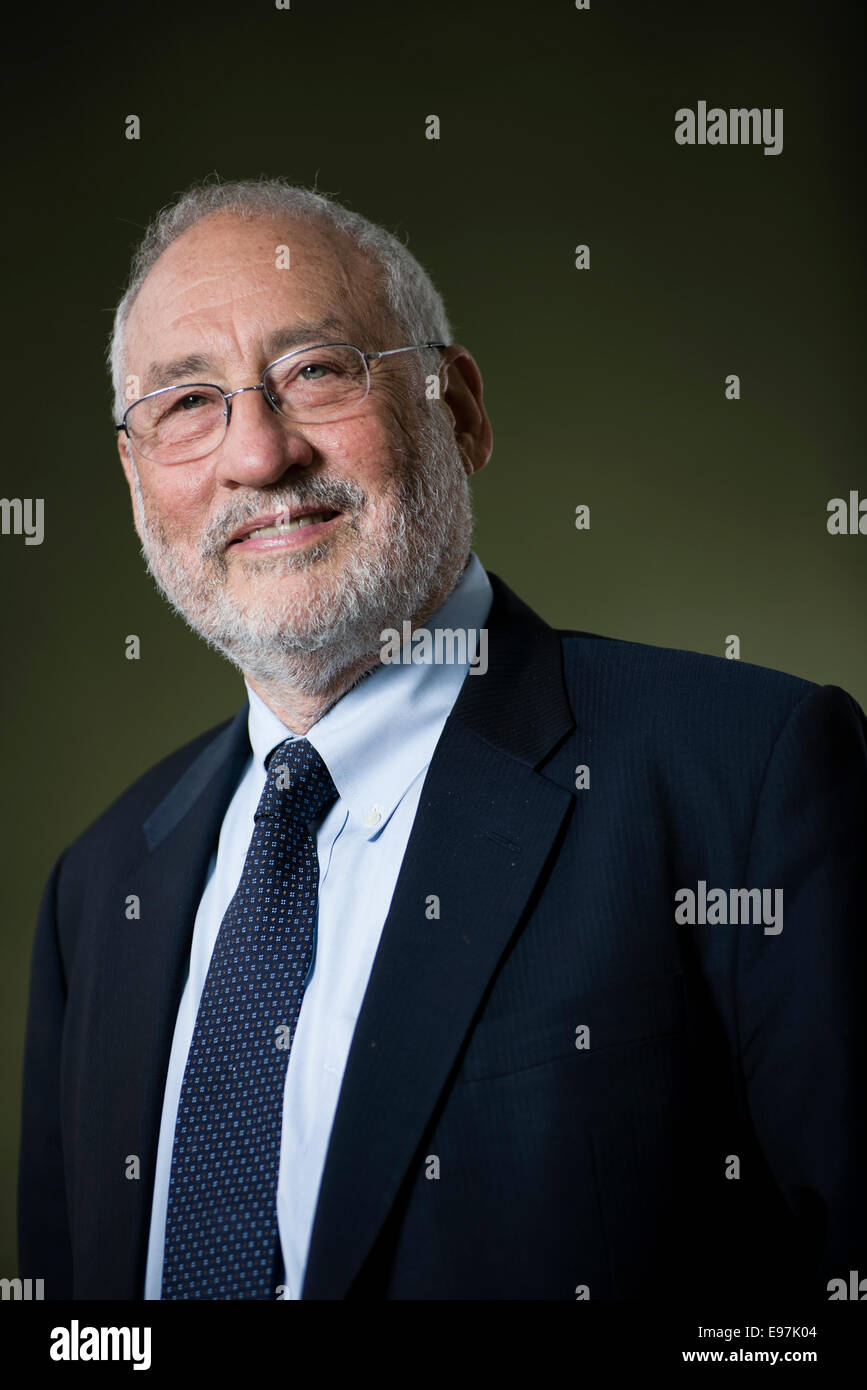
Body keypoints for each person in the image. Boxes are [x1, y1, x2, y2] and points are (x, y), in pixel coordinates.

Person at [18, 178, 866, 1301]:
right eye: (186, 402)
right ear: (137, 479)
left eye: (316, 372)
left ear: (457, 408)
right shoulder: (100, 889)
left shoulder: (748, 778)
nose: (259, 456)